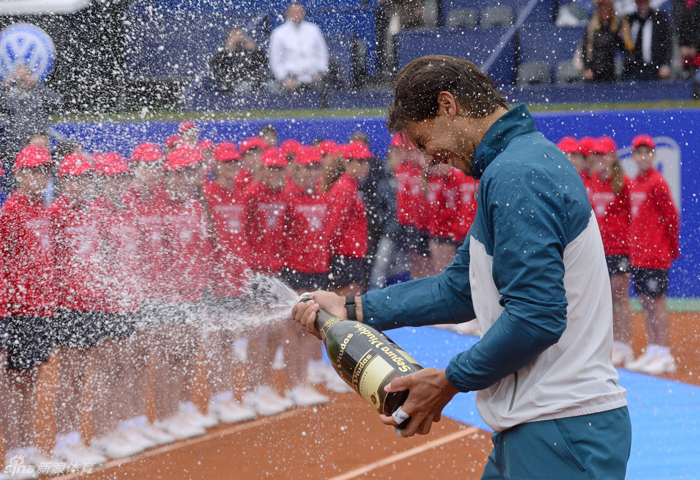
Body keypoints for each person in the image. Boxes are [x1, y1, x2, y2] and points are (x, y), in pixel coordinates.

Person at [293, 56, 631, 479]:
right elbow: (461, 289)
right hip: (543, 427)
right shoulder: (514, 164)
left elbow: (537, 317)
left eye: (422, 139)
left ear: (448, 105)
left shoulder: (516, 172)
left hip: (559, 431)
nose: (429, 158)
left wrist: (448, 381)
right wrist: (353, 309)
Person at [0, 146, 64, 474]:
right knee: (14, 384)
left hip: (41, 307)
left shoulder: (42, 208)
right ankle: (14, 455)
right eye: (34, 170)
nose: (41, 176)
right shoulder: (11, 210)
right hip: (18, 309)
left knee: (30, 382)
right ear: (19, 174)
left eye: (45, 170)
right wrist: (9, 309)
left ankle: (27, 448)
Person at [49, 152, 108, 469]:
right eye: (75, 178)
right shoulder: (55, 213)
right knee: (69, 376)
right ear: (64, 181)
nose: (82, 183)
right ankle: (66, 441)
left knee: (81, 375)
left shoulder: (93, 212)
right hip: (68, 305)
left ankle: (75, 439)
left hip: (90, 303)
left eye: (86, 177)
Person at [201, 141, 258, 424]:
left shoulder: (241, 194)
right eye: (226, 163)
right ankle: (218, 399)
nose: (231, 168)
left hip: (237, 275)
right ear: (216, 166)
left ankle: (228, 397)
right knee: (219, 339)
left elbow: (243, 232)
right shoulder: (208, 194)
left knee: (232, 339)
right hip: (217, 277)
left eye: (235, 163)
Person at [241, 148, 295, 415]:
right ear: (261, 171)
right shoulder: (251, 195)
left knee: (275, 331)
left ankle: (262, 386)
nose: (275, 174)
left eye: (279, 170)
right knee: (255, 333)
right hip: (256, 272)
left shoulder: (284, 196)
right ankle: (251, 390)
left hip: (277, 270)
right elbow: (244, 231)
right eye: (271, 169)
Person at [625, 134, 680, 375]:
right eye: (639, 152)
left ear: (653, 155)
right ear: (634, 156)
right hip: (638, 256)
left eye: (648, 152)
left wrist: (669, 248)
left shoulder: (658, 182)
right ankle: (653, 349)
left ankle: (665, 353)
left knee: (657, 302)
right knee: (646, 302)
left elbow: (671, 217)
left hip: (656, 255)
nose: (643, 157)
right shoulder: (634, 183)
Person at [588, 137, 635, 366]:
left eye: (604, 154)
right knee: (603, 299)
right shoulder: (595, 181)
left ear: (613, 157)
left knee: (620, 296)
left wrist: (628, 244)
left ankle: (624, 345)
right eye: (596, 155)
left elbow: (633, 216)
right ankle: (609, 344)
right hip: (600, 248)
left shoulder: (624, 182)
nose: (600, 159)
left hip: (620, 249)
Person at [0, 65, 62, 187]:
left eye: (25, 77)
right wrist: (3, 87)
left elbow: (58, 102)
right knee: (16, 182)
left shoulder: (39, 95)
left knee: (43, 176)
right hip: (15, 148)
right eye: (19, 78)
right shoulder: (9, 97)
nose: (22, 81)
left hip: (38, 145)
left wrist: (39, 86)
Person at [325, 142, 370, 295]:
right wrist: (328, 256)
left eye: (366, 161)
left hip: (349, 255)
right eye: (360, 161)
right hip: (345, 256)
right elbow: (333, 226)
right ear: (347, 163)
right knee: (345, 305)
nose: (365, 165)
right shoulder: (345, 188)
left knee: (348, 305)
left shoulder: (349, 186)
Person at [388, 133, 431, 281]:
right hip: (406, 222)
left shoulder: (422, 170)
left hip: (422, 222)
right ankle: (418, 286)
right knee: (414, 259)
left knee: (425, 261)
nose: (406, 154)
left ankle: (427, 288)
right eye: (403, 150)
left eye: (411, 151)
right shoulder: (400, 168)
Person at [269, 2, 329, 93]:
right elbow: (275, 60)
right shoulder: (278, 33)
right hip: (291, 78)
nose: (297, 15)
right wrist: (284, 78)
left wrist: (321, 71)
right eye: (294, 12)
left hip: (314, 76)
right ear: (287, 14)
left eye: (300, 12)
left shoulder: (313, 30)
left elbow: (322, 53)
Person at [622, 0, 673, 81]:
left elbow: (668, 44)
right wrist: (621, 35)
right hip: (634, 68)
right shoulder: (630, 19)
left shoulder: (659, 18)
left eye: (645, 1)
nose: (642, 3)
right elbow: (623, 45)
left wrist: (665, 65)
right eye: (640, 1)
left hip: (655, 68)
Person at [580, 0, 627, 82]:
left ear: (611, 10)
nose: (604, 11)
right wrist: (587, 68)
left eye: (607, 8)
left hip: (609, 73)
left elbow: (623, 48)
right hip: (592, 73)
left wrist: (625, 35)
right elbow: (585, 49)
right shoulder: (591, 28)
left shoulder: (614, 29)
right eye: (601, 8)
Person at [209, 26, 268, 92]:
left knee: (270, 85)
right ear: (229, 39)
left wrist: (254, 48)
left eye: (240, 35)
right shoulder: (222, 56)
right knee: (244, 86)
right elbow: (216, 69)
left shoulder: (249, 53)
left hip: (253, 82)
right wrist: (230, 47)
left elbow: (264, 61)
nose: (238, 38)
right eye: (235, 36)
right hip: (233, 84)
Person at [676, 0, 700, 77]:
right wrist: (683, 45)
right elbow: (681, 27)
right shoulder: (680, 4)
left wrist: (695, 46)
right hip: (686, 56)